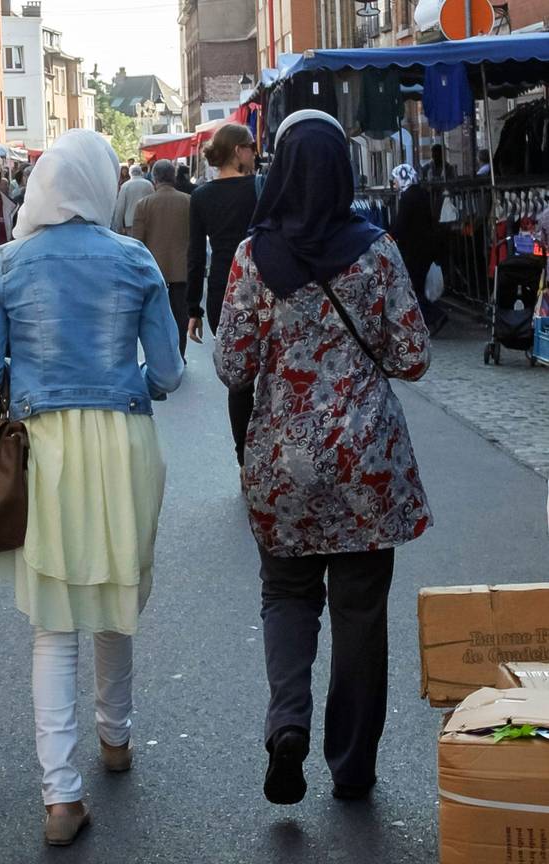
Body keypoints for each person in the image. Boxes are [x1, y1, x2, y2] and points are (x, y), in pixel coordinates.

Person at [0, 129, 185, 846]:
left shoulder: (5, 262)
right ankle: (115, 736)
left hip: (45, 447)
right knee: (115, 593)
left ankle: (61, 795)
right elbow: (166, 374)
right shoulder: (132, 260)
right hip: (121, 440)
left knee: (52, 622)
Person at [215, 110, 432, 808]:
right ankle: (351, 765)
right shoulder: (377, 251)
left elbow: (229, 365)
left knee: (286, 593)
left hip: (285, 462)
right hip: (366, 460)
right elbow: (412, 357)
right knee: (360, 611)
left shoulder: (254, 258)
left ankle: (287, 726)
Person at [186, 122, 259, 467]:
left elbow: (195, 255)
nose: (255, 152)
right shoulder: (259, 188)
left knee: (239, 381)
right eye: (252, 146)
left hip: (222, 292)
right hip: (262, 287)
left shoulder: (201, 196)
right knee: (272, 376)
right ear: (238, 151)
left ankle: (243, 458)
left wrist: (193, 309)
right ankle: (268, 459)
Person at [132, 160, 192, 358]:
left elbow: (138, 243)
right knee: (180, 314)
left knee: (155, 316)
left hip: (153, 268)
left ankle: (160, 356)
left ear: (154, 178)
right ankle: (179, 353)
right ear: (173, 176)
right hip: (182, 268)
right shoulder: (188, 201)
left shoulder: (144, 205)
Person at [390, 163, 448, 335]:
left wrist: (388, 237)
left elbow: (401, 225)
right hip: (425, 249)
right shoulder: (421, 193)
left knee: (413, 289)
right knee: (417, 287)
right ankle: (425, 320)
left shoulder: (408, 197)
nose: (394, 183)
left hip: (414, 250)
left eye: (395, 179)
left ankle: (435, 316)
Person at [111, 162, 154, 235]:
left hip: (130, 222)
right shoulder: (149, 184)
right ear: (141, 172)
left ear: (130, 173)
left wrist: (118, 228)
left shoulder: (125, 186)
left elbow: (120, 208)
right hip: (148, 221)